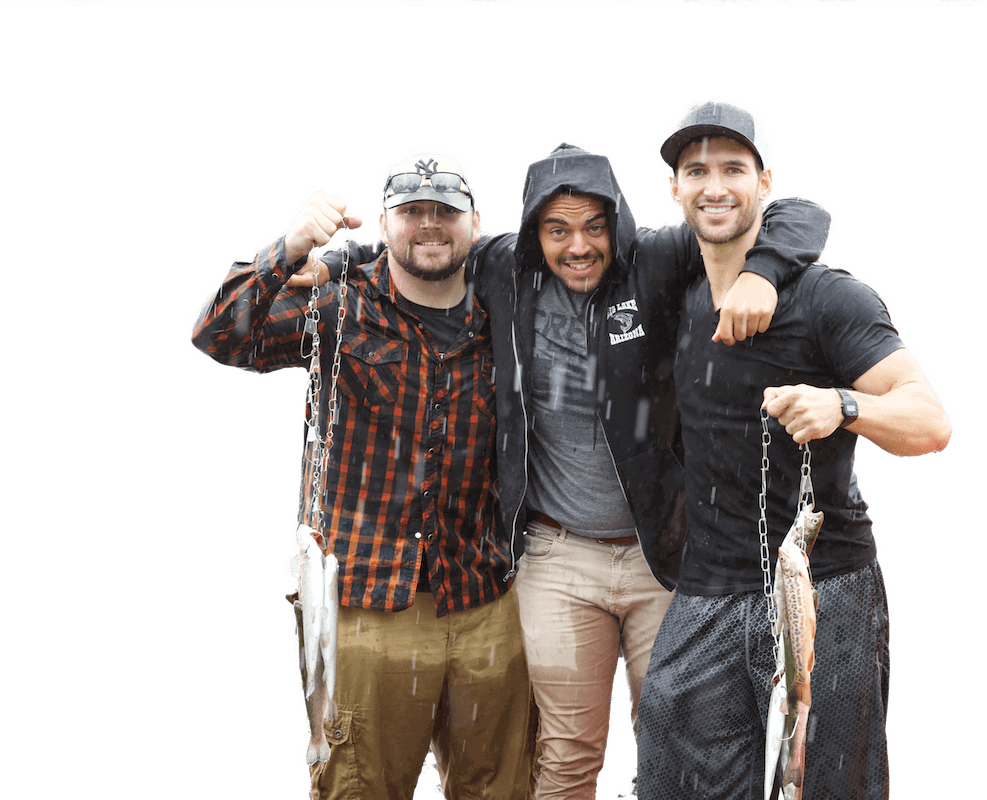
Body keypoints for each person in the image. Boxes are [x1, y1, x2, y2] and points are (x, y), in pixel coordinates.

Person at [312, 141, 830, 800]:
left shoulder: (658, 261)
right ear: (533, 234)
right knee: (564, 753)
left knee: (680, 742)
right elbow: (412, 244)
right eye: (557, 230)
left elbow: (800, 213)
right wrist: (330, 259)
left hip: (662, 557)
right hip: (557, 558)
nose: (578, 246)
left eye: (594, 227)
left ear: (620, 224)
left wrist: (760, 274)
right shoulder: (503, 267)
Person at [188, 151, 535, 800]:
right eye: (411, 213)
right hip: (367, 605)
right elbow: (218, 333)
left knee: (507, 789)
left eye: (444, 213)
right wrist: (289, 246)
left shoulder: (506, 321)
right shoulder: (337, 309)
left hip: (486, 598)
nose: (429, 226)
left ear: (474, 225)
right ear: (383, 222)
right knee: (357, 787)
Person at [635, 99, 954, 800]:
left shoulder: (830, 298)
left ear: (765, 181)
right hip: (708, 589)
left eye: (733, 169)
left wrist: (843, 404)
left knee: (828, 784)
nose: (714, 186)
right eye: (696, 171)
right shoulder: (677, 294)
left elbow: (930, 421)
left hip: (826, 587)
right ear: (676, 190)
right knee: (672, 770)